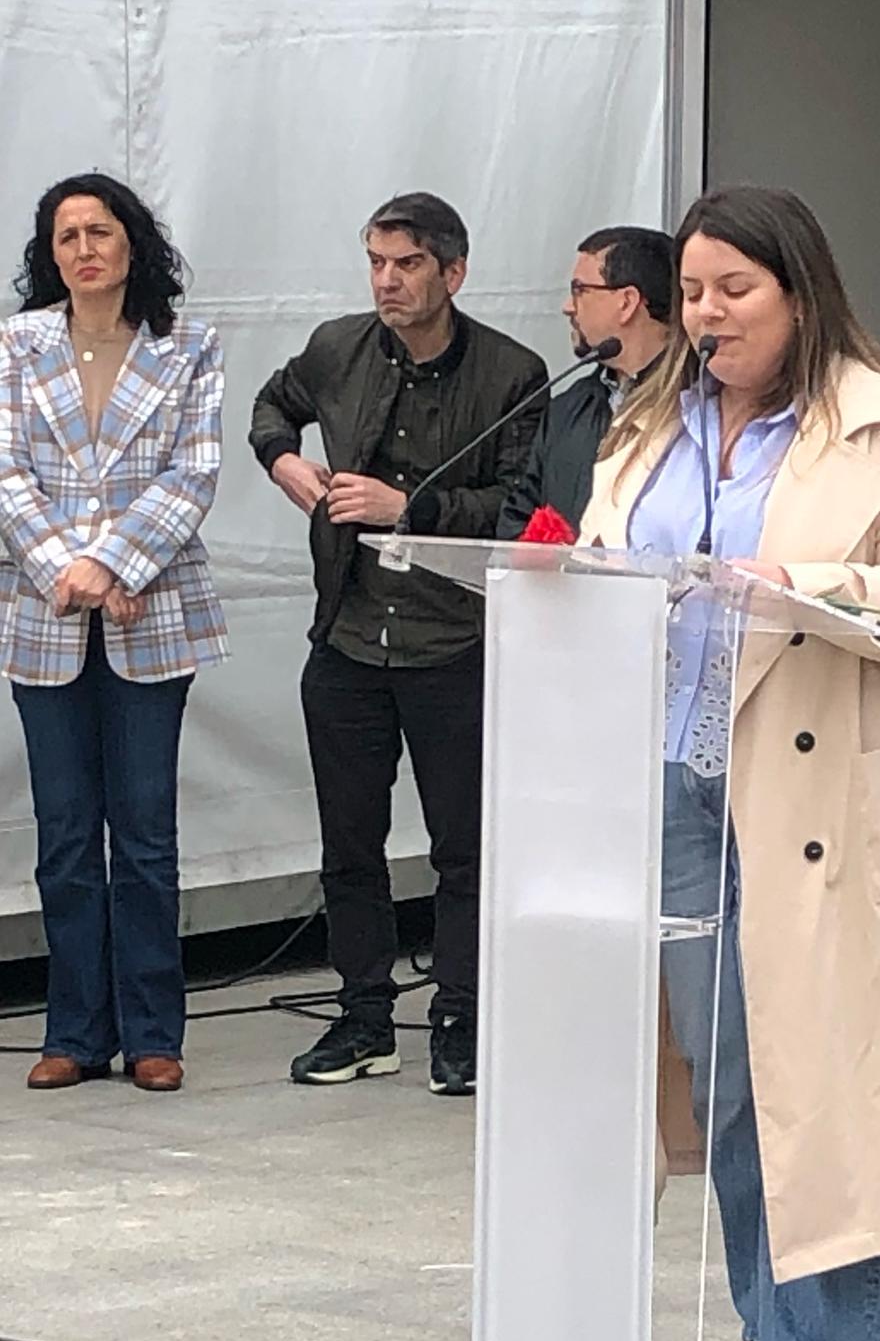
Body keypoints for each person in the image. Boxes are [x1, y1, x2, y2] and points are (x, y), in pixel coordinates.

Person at [579, 186, 880, 1341]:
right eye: (692, 292)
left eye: (734, 290)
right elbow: (605, 556)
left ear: (799, 294)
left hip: (818, 797)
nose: (708, 315)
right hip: (680, 780)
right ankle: (766, 1326)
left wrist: (804, 585)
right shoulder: (652, 423)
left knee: (817, 1080)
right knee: (727, 1083)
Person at [250, 193, 546, 1096]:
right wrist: (285, 461)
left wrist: (407, 508)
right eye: (376, 262)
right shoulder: (338, 346)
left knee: (464, 848)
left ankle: (459, 1018)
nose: (387, 281)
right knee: (350, 846)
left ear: (453, 273)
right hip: (348, 634)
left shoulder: (512, 372)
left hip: (453, 641)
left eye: (407, 264)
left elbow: (520, 507)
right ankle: (363, 1018)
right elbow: (272, 406)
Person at [0, 173, 228, 1093]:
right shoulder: (16, 345)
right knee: (63, 836)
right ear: (50, 255)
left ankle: (153, 1034)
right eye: (68, 237)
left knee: (144, 834)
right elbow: (7, 475)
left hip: (153, 612)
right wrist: (77, 573)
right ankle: (74, 1032)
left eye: (100, 231)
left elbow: (193, 473)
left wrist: (118, 566)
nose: (85, 249)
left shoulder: (189, 347)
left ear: (133, 242)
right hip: (46, 615)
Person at [496, 225, 672, 539]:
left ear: (627, 302)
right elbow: (519, 515)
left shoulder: (697, 405)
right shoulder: (567, 408)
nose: (568, 307)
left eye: (580, 290)